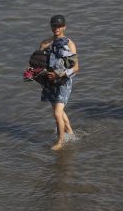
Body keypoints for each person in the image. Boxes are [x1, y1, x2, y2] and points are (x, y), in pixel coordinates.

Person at [39, 15, 79, 150]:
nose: (56, 28)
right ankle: (71, 134)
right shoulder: (45, 43)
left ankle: (60, 141)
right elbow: (39, 61)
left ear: (64, 27)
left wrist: (59, 73)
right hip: (50, 81)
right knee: (60, 112)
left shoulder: (69, 44)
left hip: (63, 81)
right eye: (54, 26)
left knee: (57, 113)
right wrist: (33, 72)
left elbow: (76, 67)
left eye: (59, 26)